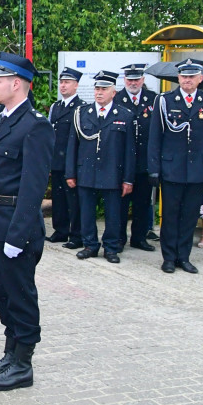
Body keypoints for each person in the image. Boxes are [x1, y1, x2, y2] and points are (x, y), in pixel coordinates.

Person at [0, 53, 54, 391]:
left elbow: (33, 188)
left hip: (16, 226)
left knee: (20, 295)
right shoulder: (3, 118)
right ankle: (10, 353)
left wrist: (18, 235)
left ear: (16, 83)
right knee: (3, 293)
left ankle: (23, 362)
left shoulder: (35, 125)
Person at [148, 59, 203, 273]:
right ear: (178, 78)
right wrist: (154, 167)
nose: (187, 80)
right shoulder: (165, 101)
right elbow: (155, 138)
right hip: (171, 169)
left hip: (197, 170)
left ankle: (184, 257)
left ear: (200, 78)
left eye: (192, 76)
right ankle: (169, 257)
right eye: (183, 76)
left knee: (190, 216)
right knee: (170, 216)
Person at [66, 71, 135, 264]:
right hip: (86, 171)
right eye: (97, 88)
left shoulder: (124, 115)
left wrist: (128, 179)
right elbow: (73, 145)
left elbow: (130, 151)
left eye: (104, 89)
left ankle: (111, 247)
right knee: (86, 211)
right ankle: (90, 245)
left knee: (113, 213)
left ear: (114, 92)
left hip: (113, 172)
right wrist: (70, 172)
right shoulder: (81, 113)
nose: (99, 92)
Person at [116, 63, 157, 254]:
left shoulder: (153, 99)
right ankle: (119, 239)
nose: (133, 82)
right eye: (130, 79)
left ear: (143, 80)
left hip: (143, 162)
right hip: (122, 162)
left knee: (142, 202)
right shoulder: (116, 99)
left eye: (136, 79)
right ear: (124, 80)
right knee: (121, 204)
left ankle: (139, 238)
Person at [46, 67, 84, 248]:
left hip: (72, 162)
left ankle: (76, 235)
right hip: (56, 160)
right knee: (58, 198)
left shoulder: (81, 108)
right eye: (61, 82)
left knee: (74, 201)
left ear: (76, 85)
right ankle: (60, 230)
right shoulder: (56, 107)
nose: (63, 85)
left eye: (67, 82)